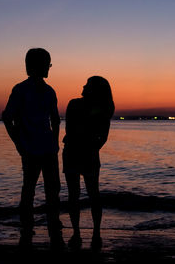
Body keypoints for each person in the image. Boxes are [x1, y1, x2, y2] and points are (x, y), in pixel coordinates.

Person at [2, 48, 63, 249]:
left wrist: (54, 143)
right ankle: (27, 225)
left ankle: (52, 223)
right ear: (36, 66)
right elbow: (7, 116)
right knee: (29, 188)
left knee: (52, 188)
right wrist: (18, 143)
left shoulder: (49, 91)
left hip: (47, 148)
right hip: (30, 148)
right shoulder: (20, 90)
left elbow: (55, 119)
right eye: (48, 64)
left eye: (50, 64)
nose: (49, 68)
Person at [62, 76, 115, 250]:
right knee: (92, 194)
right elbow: (102, 137)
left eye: (87, 84)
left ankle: (79, 232)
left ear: (93, 89)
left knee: (76, 195)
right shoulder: (99, 109)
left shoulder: (75, 104)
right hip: (84, 153)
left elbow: (72, 130)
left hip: (76, 152)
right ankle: (94, 233)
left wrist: (91, 147)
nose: (83, 86)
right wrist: (93, 147)